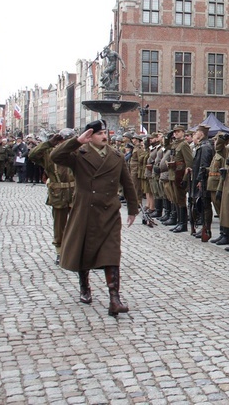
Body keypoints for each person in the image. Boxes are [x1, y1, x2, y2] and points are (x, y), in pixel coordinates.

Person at [50, 119, 138, 317]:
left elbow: (128, 183)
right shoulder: (78, 155)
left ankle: (114, 298)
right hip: (85, 211)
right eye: (99, 134)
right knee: (84, 251)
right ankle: (84, 287)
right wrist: (77, 141)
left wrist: (133, 208)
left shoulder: (116, 156)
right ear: (90, 137)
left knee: (112, 253)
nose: (104, 137)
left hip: (109, 212)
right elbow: (56, 156)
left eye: (105, 133)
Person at [29, 128, 77, 265]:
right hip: (58, 193)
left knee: (77, 223)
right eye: (62, 140)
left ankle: (75, 250)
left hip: (76, 191)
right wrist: (48, 144)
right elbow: (32, 155)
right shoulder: (49, 153)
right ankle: (60, 251)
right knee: (59, 224)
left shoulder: (77, 153)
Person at [190, 124, 214, 239]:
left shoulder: (205, 146)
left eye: (197, 131)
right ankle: (204, 228)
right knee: (202, 204)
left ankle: (206, 229)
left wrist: (200, 179)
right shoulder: (203, 145)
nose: (196, 133)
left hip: (203, 179)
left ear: (202, 133)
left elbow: (203, 165)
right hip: (199, 178)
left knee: (205, 204)